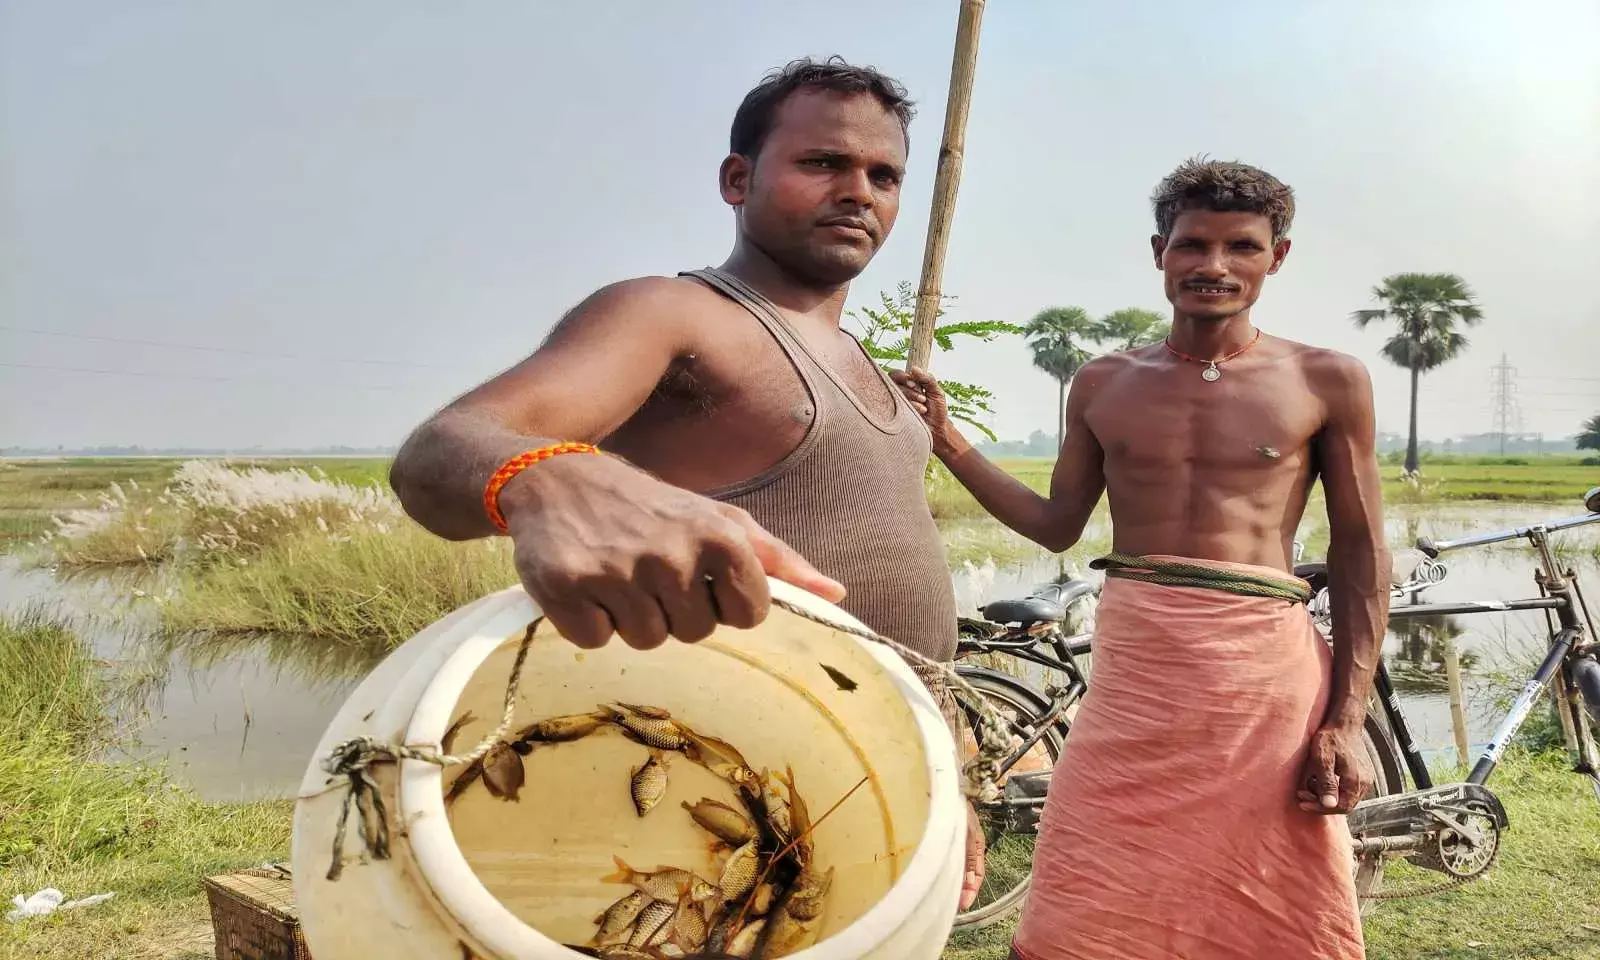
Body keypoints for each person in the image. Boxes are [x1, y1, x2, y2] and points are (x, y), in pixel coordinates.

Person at [388, 56, 988, 909]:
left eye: (883, 175)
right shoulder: (676, 315)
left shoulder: (869, 365)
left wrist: (948, 767)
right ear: (738, 179)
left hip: (881, 774)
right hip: (721, 788)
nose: (859, 191)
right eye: (823, 162)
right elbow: (440, 452)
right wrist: (550, 478)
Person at [895, 158, 1389, 959]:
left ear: (1278, 257)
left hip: (1260, 676)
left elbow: (1362, 553)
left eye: (1241, 247)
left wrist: (1346, 718)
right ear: (1160, 251)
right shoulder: (1103, 382)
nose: (1214, 266)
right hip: (1137, 670)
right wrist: (948, 440)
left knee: (1267, 878)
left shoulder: (1326, 379)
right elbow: (1056, 524)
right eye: (1193, 244)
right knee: (1090, 863)